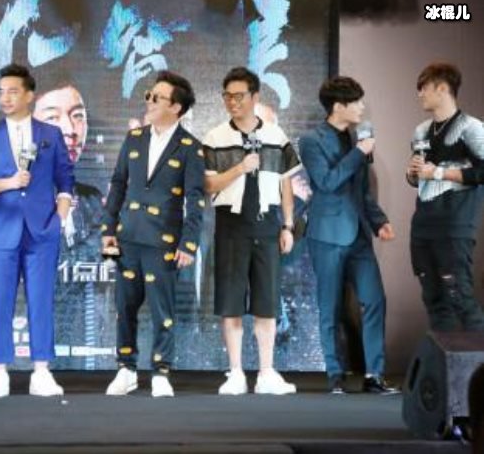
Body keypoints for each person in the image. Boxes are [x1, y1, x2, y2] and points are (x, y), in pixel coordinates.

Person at [0, 64, 74, 397]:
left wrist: (59, 219)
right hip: (2, 230)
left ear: (29, 95)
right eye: (1, 92)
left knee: (41, 300)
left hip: (42, 231)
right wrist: (8, 183)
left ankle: (42, 371)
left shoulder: (50, 134)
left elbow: (66, 180)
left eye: (13, 91)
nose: (6, 98)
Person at [101, 70, 204, 397]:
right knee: (125, 307)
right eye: (149, 95)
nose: (148, 101)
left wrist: (189, 242)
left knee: (163, 311)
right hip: (128, 236)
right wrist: (108, 228)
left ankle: (161, 371)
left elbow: (195, 200)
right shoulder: (134, 138)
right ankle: (126, 368)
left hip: (163, 242)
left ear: (176, 107)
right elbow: (118, 184)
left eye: (157, 97)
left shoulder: (190, 147)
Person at [202, 67, 298, 395]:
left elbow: (286, 183)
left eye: (239, 96)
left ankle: (267, 372)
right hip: (231, 224)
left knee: (266, 301)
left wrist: (288, 225)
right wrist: (240, 168)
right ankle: (236, 372)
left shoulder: (276, 135)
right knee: (231, 302)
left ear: (255, 97)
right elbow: (208, 184)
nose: (233, 102)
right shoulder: (215, 137)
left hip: (268, 223)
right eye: (227, 96)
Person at [299, 76, 397, 395]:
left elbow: (362, 190)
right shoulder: (311, 141)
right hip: (327, 235)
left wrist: (379, 221)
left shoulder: (357, 138)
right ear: (338, 106)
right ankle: (335, 375)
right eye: (356, 102)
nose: (362, 107)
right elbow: (327, 182)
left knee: (375, 300)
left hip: (359, 236)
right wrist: (357, 153)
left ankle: (374, 375)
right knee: (330, 306)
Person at [33, 82, 109, 369]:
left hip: (84, 349)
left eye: (77, 116)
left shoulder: (93, 200)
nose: (69, 129)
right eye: (53, 117)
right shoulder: (10, 194)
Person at [406, 62, 484, 332]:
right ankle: (446, 357)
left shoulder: (472, 128)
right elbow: (418, 178)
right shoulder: (421, 130)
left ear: (442, 88)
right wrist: (412, 173)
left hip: (455, 225)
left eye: (424, 88)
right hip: (423, 226)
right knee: (434, 300)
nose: (419, 94)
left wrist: (439, 172)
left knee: (460, 297)